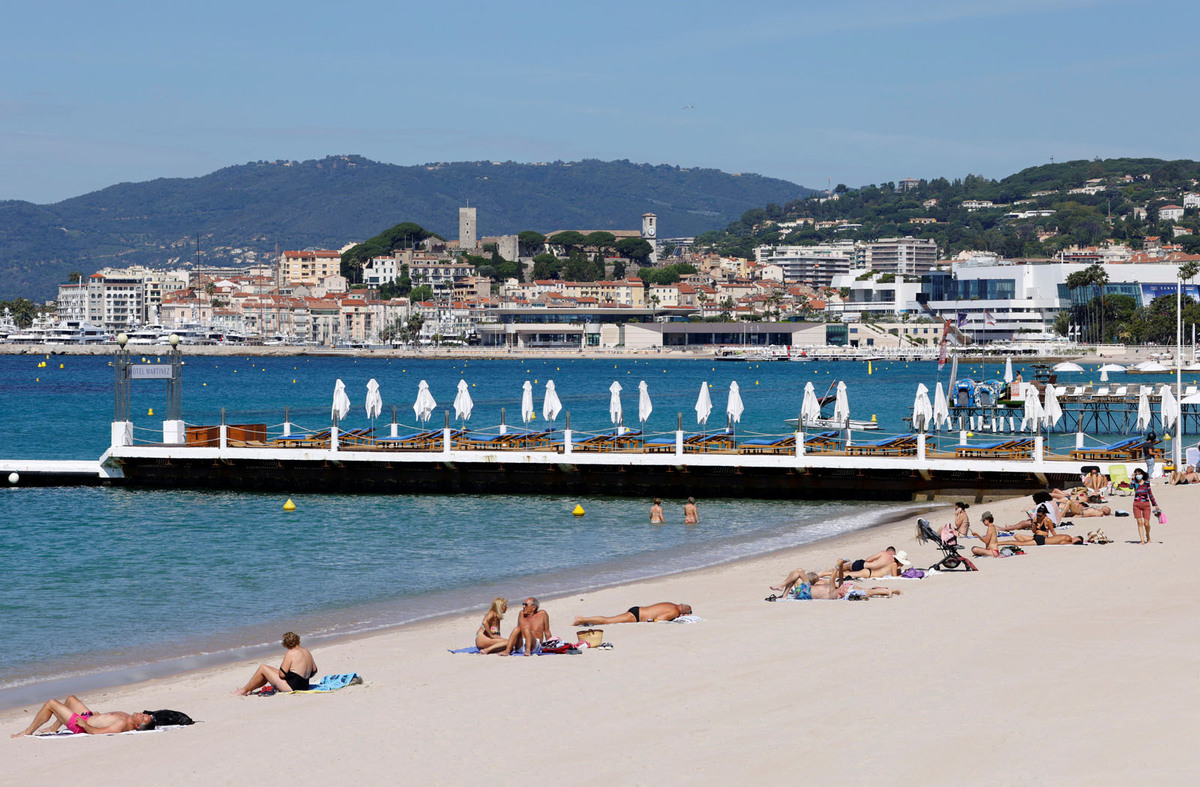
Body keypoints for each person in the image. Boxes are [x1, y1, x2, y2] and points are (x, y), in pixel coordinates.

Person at [12, 695, 155, 737]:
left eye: (143, 718)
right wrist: (99, 716)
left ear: (136, 726)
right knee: (70, 699)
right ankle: (54, 727)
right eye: (144, 715)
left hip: (81, 725)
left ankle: (27, 731)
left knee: (51, 703)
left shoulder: (122, 725)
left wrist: (85, 725)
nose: (141, 714)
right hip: (88, 717)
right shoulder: (127, 717)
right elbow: (106, 720)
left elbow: (97, 732)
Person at [769, 560, 900, 600]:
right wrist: (841, 567)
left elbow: (833, 579)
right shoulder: (836, 590)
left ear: (841, 594)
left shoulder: (833, 593)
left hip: (804, 592)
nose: (845, 588)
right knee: (797, 571)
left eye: (845, 589)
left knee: (798, 572)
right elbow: (839, 579)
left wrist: (838, 565)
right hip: (805, 589)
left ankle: (782, 589)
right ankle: (784, 592)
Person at [234, 631, 317, 695]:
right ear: (298, 640)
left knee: (263, 668)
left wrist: (293, 675)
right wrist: (301, 674)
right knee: (267, 671)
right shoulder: (306, 651)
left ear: (286, 644)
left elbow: (282, 675)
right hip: (305, 685)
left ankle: (244, 690)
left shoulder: (290, 652)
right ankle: (249, 689)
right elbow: (314, 670)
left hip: (292, 687)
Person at [1000, 509, 1081, 547]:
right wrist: (1034, 525)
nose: (1038, 517)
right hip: (1037, 537)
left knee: (1020, 543)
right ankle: (999, 543)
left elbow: (1053, 532)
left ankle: (999, 543)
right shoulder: (1036, 519)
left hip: (1042, 539)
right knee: (1017, 536)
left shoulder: (1048, 520)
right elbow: (1034, 531)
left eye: (1040, 515)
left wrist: (1073, 543)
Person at [573, 601, 692, 625]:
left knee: (609, 619)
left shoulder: (671, 604)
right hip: (637, 616)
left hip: (638, 610)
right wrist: (673, 619)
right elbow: (660, 619)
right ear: (684, 613)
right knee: (607, 620)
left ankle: (584, 619)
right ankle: (582, 619)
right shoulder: (674, 611)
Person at [1131, 468, 1161, 545]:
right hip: (1136, 504)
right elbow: (1130, 487)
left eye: (1139, 473)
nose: (1138, 475)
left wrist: (1155, 504)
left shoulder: (1146, 483)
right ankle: (1142, 540)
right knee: (1139, 522)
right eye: (1136, 474)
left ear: (1142, 474)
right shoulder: (1135, 483)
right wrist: (1132, 478)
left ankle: (1148, 535)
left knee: (1146, 523)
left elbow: (1150, 494)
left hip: (1146, 504)